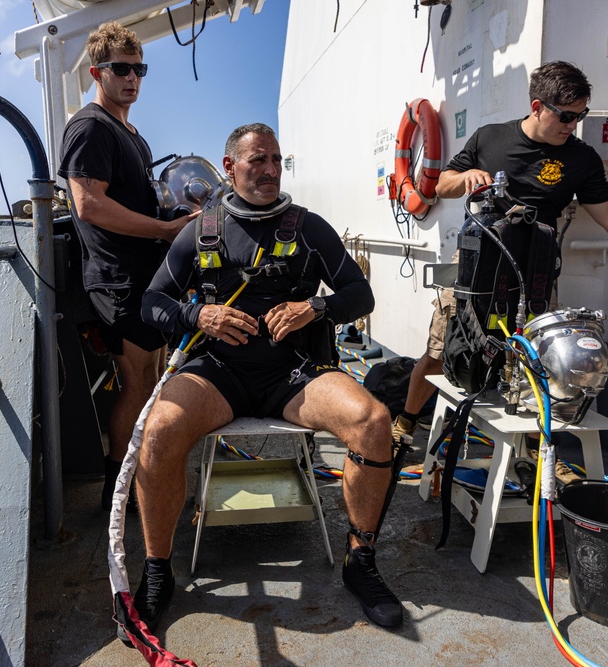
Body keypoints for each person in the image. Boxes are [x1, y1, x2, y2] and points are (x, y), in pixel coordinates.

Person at [129, 123, 405, 633]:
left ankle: (360, 562)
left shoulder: (308, 227)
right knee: (159, 430)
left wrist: (314, 307)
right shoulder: (200, 229)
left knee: (373, 421)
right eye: (258, 160)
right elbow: (152, 302)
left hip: (293, 373)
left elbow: (358, 295)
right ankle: (156, 570)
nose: (271, 170)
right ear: (229, 166)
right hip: (218, 372)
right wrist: (198, 318)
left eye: (277, 159)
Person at [391, 60, 608, 449]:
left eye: (580, 116)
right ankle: (404, 422)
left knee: (536, 362)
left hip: (536, 272)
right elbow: (442, 185)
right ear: (537, 107)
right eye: (567, 116)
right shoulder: (490, 138)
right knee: (441, 351)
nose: (573, 125)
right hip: (477, 268)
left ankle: (539, 455)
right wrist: (465, 180)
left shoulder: (581, 158)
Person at [57, 21, 196, 510]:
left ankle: (139, 474)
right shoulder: (91, 126)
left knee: (154, 376)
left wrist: (173, 217)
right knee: (137, 382)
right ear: (97, 71)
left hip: (145, 275)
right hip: (118, 278)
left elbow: (134, 198)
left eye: (139, 69)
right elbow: (88, 204)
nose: (132, 78)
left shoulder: (130, 133)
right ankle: (118, 491)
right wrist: (162, 231)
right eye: (121, 69)